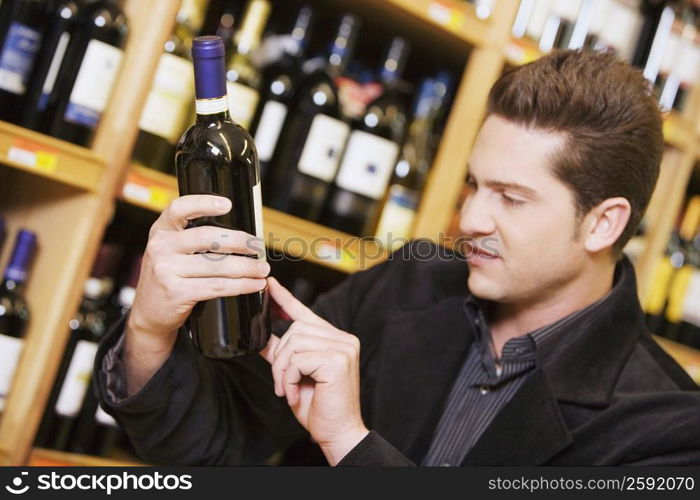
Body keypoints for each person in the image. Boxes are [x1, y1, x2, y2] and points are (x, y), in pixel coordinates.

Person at [94, 49, 700, 466]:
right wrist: (150, 327)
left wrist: (351, 444)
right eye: (474, 185)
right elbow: (214, 443)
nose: (469, 221)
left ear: (603, 223)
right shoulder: (410, 285)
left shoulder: (669, 430)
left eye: (512, 198)